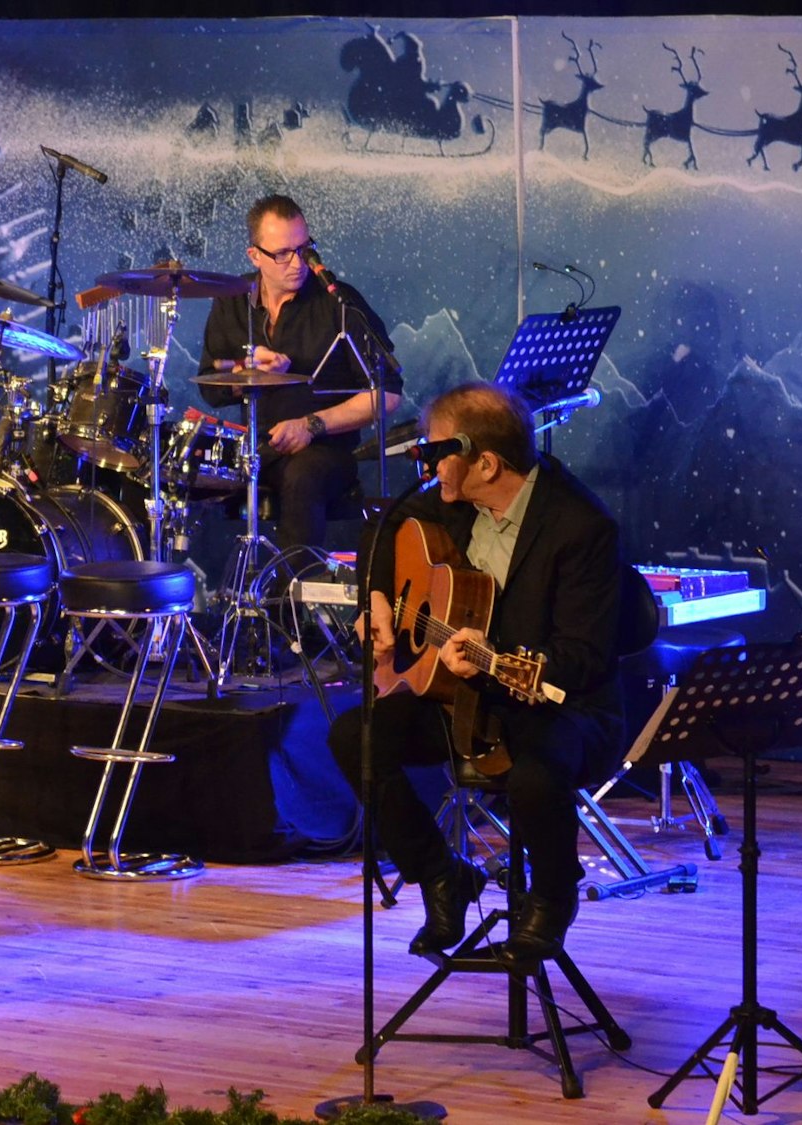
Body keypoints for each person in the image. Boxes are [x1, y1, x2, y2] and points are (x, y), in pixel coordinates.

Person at [328, 383, 624, 968]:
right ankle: (440, 875)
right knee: (355, 737)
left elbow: (585, 656)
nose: (428, 464)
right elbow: (383, 526)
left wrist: (496, 656)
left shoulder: (581, 526)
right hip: (465, 698)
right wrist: (380, 596)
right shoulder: (455, 499)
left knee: (535, 774)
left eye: (437, 452)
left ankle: (552, 899)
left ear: (485, 463)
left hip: (560, 705)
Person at [196, 193, 403, 552]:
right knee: (172, 472)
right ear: (255, 256)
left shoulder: (338, 303)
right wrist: (248, 369)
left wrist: (311, 425)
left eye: (304, 248)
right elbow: (210, 388)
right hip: (258, 447)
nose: (297, 263)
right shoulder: (231, 301)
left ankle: (290, 594)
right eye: (282, 253)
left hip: (326, 451)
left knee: (302, 476)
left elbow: (387, 394)